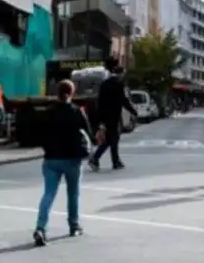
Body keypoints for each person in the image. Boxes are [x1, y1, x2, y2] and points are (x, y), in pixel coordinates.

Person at [33, 79, 92, 246]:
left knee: (48, 194)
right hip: (72, 158)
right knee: (73, 193)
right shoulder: (76, 111)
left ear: (57, 93)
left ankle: (41, 227)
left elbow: (39, 133)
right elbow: (88, 131)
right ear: (72, 93)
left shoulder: (49, 111)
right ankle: (74, 225)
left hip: (51, 158)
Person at [88, 57, 137, 172]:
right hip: (114, 115)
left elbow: (100, 101)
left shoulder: (104, 84)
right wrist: (133, 111)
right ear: (120, 73)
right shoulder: (118, 84)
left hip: (105, 115)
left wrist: (99, 117)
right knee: (112, 138)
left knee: (112, 138)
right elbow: (123, 100)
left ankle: (114, 161)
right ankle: (99, 159)